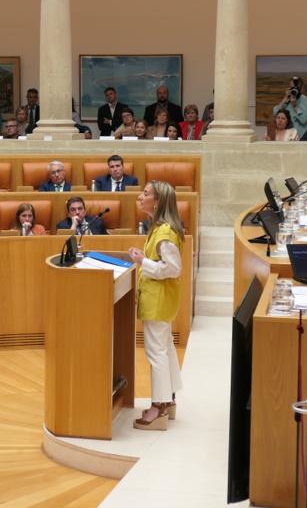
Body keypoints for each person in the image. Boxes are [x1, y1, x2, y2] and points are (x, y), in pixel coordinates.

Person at [129, 180, 184, 430]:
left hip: (158, 300)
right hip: (159, 298)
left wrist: (143, 262)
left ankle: (158, 405)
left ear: (158, 201)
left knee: (156, 353)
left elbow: (173, 269)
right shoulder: (159, 227)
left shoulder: (164, 233)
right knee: (166, 348)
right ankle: (169, 397)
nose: (141, 196)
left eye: (146, 194)